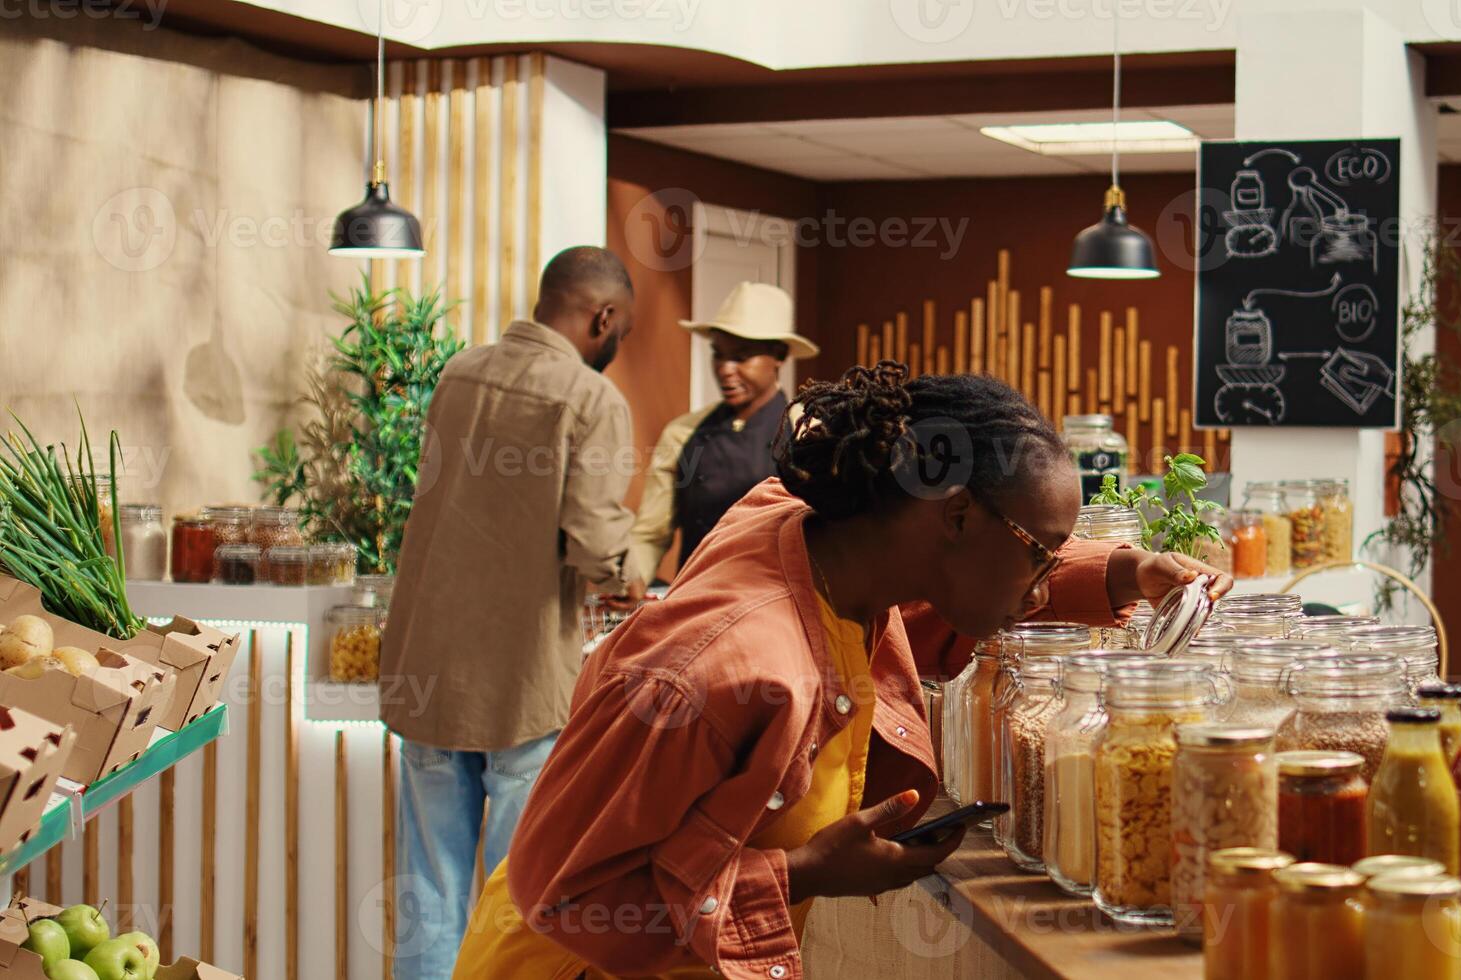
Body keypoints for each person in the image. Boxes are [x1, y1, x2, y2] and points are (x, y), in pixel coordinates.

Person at [449, 362, 1230, 978]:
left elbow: (943, 599)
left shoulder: (838, 551)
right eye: (1043, 552)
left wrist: (1122, 571)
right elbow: (568, 899)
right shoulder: (704, 669)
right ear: (954, 514)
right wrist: (799, 871)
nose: (1045, 572)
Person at [378, 245, 638, 980]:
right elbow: (595, 541)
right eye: (622, 330)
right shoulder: (590, 399)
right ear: (602, 316)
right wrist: (635, 572)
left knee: (428, 893)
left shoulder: (459, 372)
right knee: (515, 895)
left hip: (428, 673)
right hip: (521, 682)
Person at [624, 281, 816, 595]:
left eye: (741, 357)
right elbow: (649, 534)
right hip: (694, 601)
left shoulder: (806, 432)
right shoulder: (682, 434)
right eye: (718, 355)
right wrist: (632, 579)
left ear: (779, 355)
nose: (725, 369)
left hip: (776, 609)